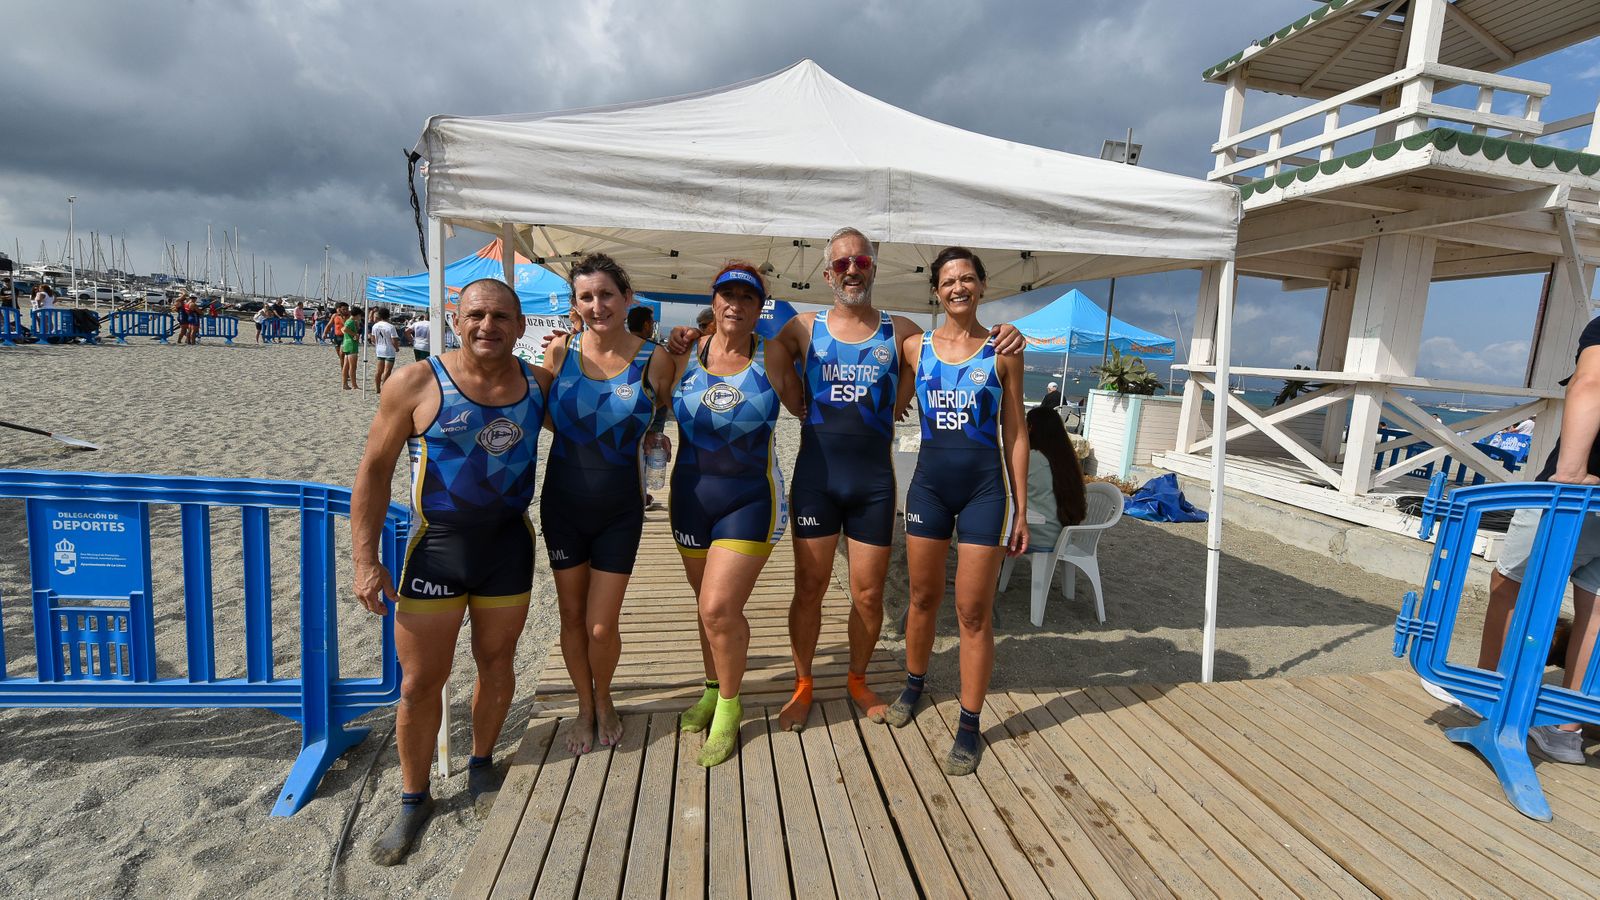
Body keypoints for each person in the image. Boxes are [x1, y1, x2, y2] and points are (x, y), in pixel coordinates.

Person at [665, 227, 1026, 732]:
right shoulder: (804, 329)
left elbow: (943, 360)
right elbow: (756, 355)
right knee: (808, 588)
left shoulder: (900, 331)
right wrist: (690, 338)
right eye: (841, 264)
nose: (851, 270)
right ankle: (803, 683)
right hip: (817, 477)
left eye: (860, 262)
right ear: (828, 273)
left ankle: (858, 677)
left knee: (869, 594)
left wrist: (1008, 332)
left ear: (873, 267)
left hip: (873, 483)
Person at [350, 278, 552, 865]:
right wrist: (366, 561)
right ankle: (414, 798)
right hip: (437, 548)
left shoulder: (537, 386)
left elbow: (597, 432)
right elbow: (373, 472)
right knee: (418, 684)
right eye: (476, 316)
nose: (487, 326)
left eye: (500, 317)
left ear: (520, 326)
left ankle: (482, 766)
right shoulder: (416, 381)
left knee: (496, 664)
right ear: (455, 320)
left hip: (508, 548)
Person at [888, 246, 1028, 776]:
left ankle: (969, 724)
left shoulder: (1003, 350)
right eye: (948, 281)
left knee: (973, 612)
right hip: (928, 488)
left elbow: (1016, 431)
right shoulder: (914, 347)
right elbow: (884, 387)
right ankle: (913, 685)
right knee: (922, 598)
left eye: (967, 278)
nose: (958, 288)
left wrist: (1019, 508)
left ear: (983, 286)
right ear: (936, 291)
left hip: (983, 492)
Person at [667, 262, 802, 767]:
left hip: (751, 501)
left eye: (747, 298)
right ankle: (710, 688)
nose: (735, 305)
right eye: (727, 295)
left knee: (719, 608)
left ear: (757, 307)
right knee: (705, 606)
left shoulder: (775, 356)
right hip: (689, 498)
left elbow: (813, 409)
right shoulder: (684, 355)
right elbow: (646, 403)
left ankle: (729, 706)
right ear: (714, 298)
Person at [540, 255, 676, 755]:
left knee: (602, 624)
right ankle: (586, 705)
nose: (597, 305)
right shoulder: (560, 353)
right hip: (562, 504)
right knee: (572, 618)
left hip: (621, 508)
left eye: (606, 295)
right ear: (576, 305)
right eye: (586, 297)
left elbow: (672, 411)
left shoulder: (654, 359)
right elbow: (545, 416)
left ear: (627, 299)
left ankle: (607, 696)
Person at [1467, 316, 1600, 765]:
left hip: (1581, 493)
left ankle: (1486, 693)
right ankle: (1566, 730)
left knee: (1511, 586)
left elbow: (1590, 384)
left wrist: (1570, 474)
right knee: (1596, 612)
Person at [1025, 405, 1088, 553]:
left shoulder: (1033, 458)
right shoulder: (1066, 459)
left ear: (1031, 428)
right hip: (1060, 534)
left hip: (1038, 536)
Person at [370, 308, 400, 394]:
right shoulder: (390, 326)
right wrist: (397, 348)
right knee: (387, 370)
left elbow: (372, 339)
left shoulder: (375, 326)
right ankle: (384, 387)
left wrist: (378, 344)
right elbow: (394, 340)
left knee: (379, 370)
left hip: (379, 349)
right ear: (388, 315)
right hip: (389, 349)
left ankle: (377, 388)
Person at [341, 309, 363, 390]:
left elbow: (342, 329)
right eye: (360, 315)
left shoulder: (349, 321)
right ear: (357, 315)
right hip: (351, 345)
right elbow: (345, 329)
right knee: (353, 367)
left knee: (346, 366)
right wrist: (355, 334)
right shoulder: (350, 322)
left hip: (346, 343)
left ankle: (344, 384)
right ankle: (354, 385)